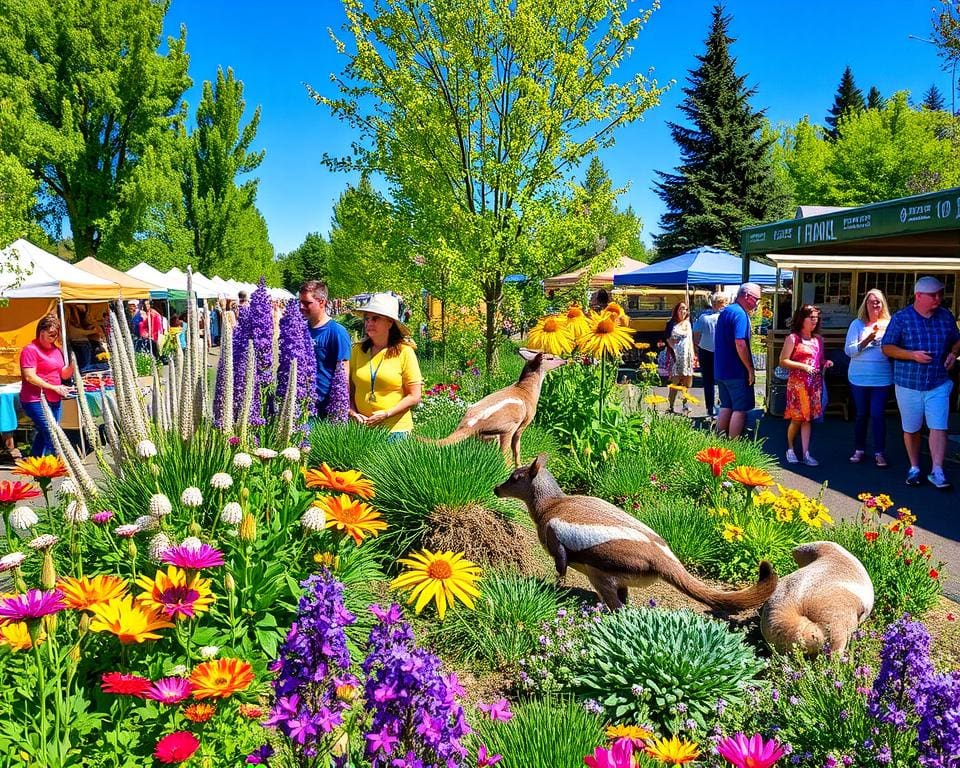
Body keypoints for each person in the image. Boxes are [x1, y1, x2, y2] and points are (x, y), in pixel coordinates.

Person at [882, 276, 960, 489]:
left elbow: (957, 339)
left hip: (938, 382)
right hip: (908, 383)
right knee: (912, 428)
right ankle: (915, 467)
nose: (938, 298)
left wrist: (953, 353)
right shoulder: (901, 318)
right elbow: (887, 347)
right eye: (933, 295)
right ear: (918, 296)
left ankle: (937, 470)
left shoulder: (945, 316)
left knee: (939, 426)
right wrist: (911, 355)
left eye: (940, 294)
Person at [349, 292, 423, 439]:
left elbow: (415, 396)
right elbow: (348, 389)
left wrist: (387, 413)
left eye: (375, 319)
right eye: (367, 319)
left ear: (390, 323)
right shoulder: (358, 350)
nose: (369, 323)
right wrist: (353, 413)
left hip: (395, 432)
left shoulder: (404, 352)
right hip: (362, 430)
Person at [844, 289, 893, 467]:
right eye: (871, 301)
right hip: (859, 377)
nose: (875, 305)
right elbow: (849, 351)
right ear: (865, 304)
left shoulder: (889, 324)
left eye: (878, 301)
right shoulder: (857, 325)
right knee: (861, 414)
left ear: (883, 304)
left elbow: (894, 349)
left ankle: (879, 452)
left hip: (882, 378)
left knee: (878, 414)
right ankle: (859, 449)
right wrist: (867, 340)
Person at [779, 304, 833, 466]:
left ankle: (806, 453)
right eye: (811, 318)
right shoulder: (793, 339)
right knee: (797, 419)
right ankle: (790, 448)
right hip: (798, 385)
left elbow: (819, 360)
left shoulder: (818, 340)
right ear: (802, 319)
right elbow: (783, 361)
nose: (814, 321)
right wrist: (803, 366)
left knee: (808, 419)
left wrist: (826, 363)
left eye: (816, 318)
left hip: (814, 385)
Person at [19, 314, 75, 457]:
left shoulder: (56, 350)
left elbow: (62, 374)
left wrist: (73, 365)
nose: (54, 337)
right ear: (41, 332)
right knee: (51, 431)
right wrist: (54, 387)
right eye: (51, 334)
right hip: (35, 398)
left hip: (54, 397)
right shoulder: (30, 350)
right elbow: (29, 376)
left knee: (46, 432)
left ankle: (35, 462)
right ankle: (57, 462)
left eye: (56, 335)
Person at [714, 283, 761, 439]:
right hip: (736, 371)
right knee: (739, 409)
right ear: (747, 296)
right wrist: (750, 369)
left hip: (721, 369)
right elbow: (740, 343)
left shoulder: (726, 311)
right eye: (757, 299)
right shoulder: (740, 314)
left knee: (726, 406)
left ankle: (720, 441)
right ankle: (734, 445)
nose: (757, 304)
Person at [299, 280, 351, 419]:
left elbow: (344, 372)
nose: (301, 306)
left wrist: (343, 409)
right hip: (300, 405)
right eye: (300, 302)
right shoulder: (299, 329)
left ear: (322, 302)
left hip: (326, 410)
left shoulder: (336, 332)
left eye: (307, 303)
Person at [692, 293, 728, 416]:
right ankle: (723, 406)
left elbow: (696, 335)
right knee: (722, 379)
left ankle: (710, 407)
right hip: (722, 351)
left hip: (705, 350)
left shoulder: (703, 318)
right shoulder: (726, 317)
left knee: (708, 381)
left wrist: (698, 346)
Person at [665, 301, 694, 414]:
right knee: (675, 382)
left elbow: (690, 339)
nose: (683, 311)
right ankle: (671, 406)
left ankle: (685, 404)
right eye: (681, 309)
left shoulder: (688, 324)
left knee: (687, 382)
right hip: (676, 356)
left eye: (685, 309)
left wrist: (692, 354)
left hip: (687, 356)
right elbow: (666, 338)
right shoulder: (671, 323)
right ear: (676, 311)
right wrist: (673, 346)